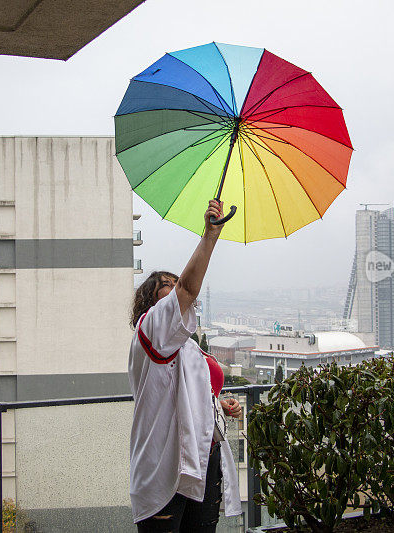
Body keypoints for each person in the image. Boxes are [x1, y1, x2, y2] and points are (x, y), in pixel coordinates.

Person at [128, 199, 243, 532]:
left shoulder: (189, 348)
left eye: (175, 282)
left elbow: (185, 395)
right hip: (165, 468)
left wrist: (217, 405)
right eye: (167, 286)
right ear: (151, 303)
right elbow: (189, 288)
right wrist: (210, 236)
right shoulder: (149, 331)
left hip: (205, 460)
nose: (177, 289)